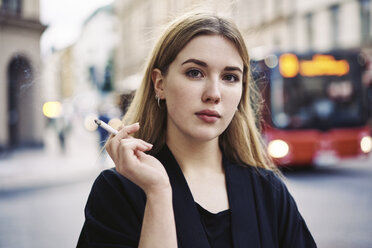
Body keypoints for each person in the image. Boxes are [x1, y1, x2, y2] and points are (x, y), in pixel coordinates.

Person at [77, 11, 316, 248]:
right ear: (160, 84)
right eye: (195, 73)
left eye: (230, 77)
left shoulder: (269, 192)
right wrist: (157, 195)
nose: (213, 93)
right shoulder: (119, 190)